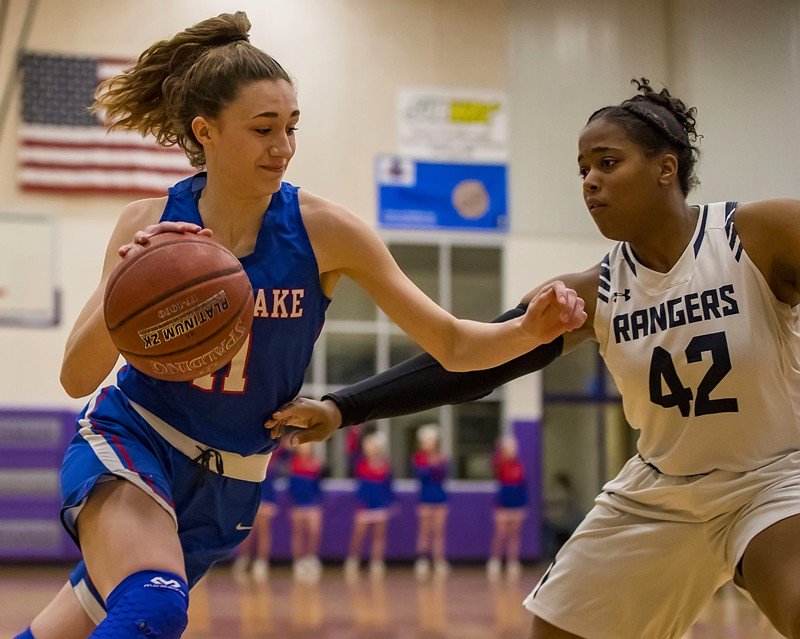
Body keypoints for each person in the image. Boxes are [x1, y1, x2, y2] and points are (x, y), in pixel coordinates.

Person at [15, 11, 586, 639]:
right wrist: (129, 281)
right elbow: (76, 376)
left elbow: (450, 343)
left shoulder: (324, 231)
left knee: (77, 626)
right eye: (263, 129)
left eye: (291, 128)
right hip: (133, 440)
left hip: (230, 483)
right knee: (153, 606)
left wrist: (531, 331)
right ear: (205, 132)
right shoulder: (147, 222)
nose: (283, 146)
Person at [268, 77, 800, 639]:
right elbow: (471, 364)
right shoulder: (592, 292)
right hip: (663, 490)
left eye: (608, 162)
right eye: (582, 170)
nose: (590, 182)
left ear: (665, 168)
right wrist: (342, 406)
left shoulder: (756, 235)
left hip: (772, 478)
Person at [344, 431, 395, 580]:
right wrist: (354, 433)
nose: (371, 448)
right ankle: (353, 560)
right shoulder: (359, 463)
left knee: (379, 536)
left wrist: (389, 504)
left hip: (380, 505)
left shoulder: (385, 466)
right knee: (358, 535)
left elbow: (389, 487)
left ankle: (377, 562)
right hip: (364, 506)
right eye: (368, 445)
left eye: (373, 445)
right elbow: (350, 452)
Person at [487, 434, 527, 581]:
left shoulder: (519, 465)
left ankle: (512, 562)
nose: (512, 450)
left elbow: (523, 486)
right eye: (509, 447)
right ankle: (495, 561)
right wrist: (501, 446)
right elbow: (494, 463)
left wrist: (523, 506)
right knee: (501, 533)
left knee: (514, 535)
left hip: (517, 503)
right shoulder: (500, 463)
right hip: (502, 504)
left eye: (514, 447)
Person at [412, 424, 450, 580]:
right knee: (424, 530)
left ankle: (439, 560)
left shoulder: (442, 458)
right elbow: (421, 475)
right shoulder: (419, 459)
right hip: (425, 498)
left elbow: (444, 473)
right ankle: (422, 560)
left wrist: (437, 464)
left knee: (438, 531)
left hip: (440, 497)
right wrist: (430, 465)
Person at [287, 442, 325, 582]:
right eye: (303, 445)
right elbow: (292, 487)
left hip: (313, 504)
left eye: (307, 446)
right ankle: (298, 561)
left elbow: (319, 486)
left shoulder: (316, 464)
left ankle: (311, 557)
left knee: (314, 530)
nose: (305, 448)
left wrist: (317, 503)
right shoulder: (293, 463)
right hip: (297, 504)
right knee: (298, 532)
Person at [231, 472, 278, 583]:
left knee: (263, 531)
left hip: (265, 501)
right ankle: (243, 559)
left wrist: (271, 502)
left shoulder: (271, 464)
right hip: (249, 501)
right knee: (246, 530)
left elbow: (271, 484)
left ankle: (261, 561)